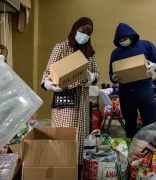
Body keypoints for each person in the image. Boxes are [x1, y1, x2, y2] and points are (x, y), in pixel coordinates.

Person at [40, 17, 99, 179]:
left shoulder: (90, 52)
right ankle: (61, 171)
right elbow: (47, 73)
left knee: (80, 142)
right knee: (64, 139)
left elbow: (97, 73)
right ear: (75, 30)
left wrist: (91, 77)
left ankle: (77, 173)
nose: (84, 35)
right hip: (65, 101)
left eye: (88, 33)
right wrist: (48, 84)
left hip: (82, 101)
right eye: (82, 31)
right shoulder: (60, 48)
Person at [109, 23, 156, 138]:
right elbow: (111, 73)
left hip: (145, 90)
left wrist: (155, 66)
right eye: (120, 39)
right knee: (130, 125)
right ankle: (132, 151)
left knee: (150, 123)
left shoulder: (146, 45)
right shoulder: (116, 53)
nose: (123, 40)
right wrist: (113, 78)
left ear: (131, 36)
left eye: (125, 38)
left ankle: (150, 151)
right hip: (126, 93)